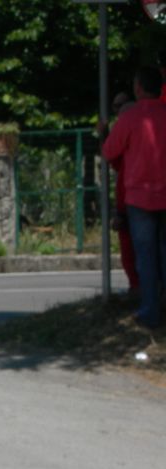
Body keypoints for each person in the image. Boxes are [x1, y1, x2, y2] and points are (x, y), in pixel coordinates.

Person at [102, 66, 166, 329]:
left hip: (139, 197)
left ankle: (150, 311)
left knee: (145, 256)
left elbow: (109, 151)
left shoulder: (130, 118)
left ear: (138, 88)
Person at [108, 91, 140, 297]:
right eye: (115, 106)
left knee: (138, 250)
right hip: (130, 200)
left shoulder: (129, 128)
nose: (118, 111)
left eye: (121, 105)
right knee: (133, 251)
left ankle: (141, 290)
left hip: (134, 200)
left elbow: (109, 153)